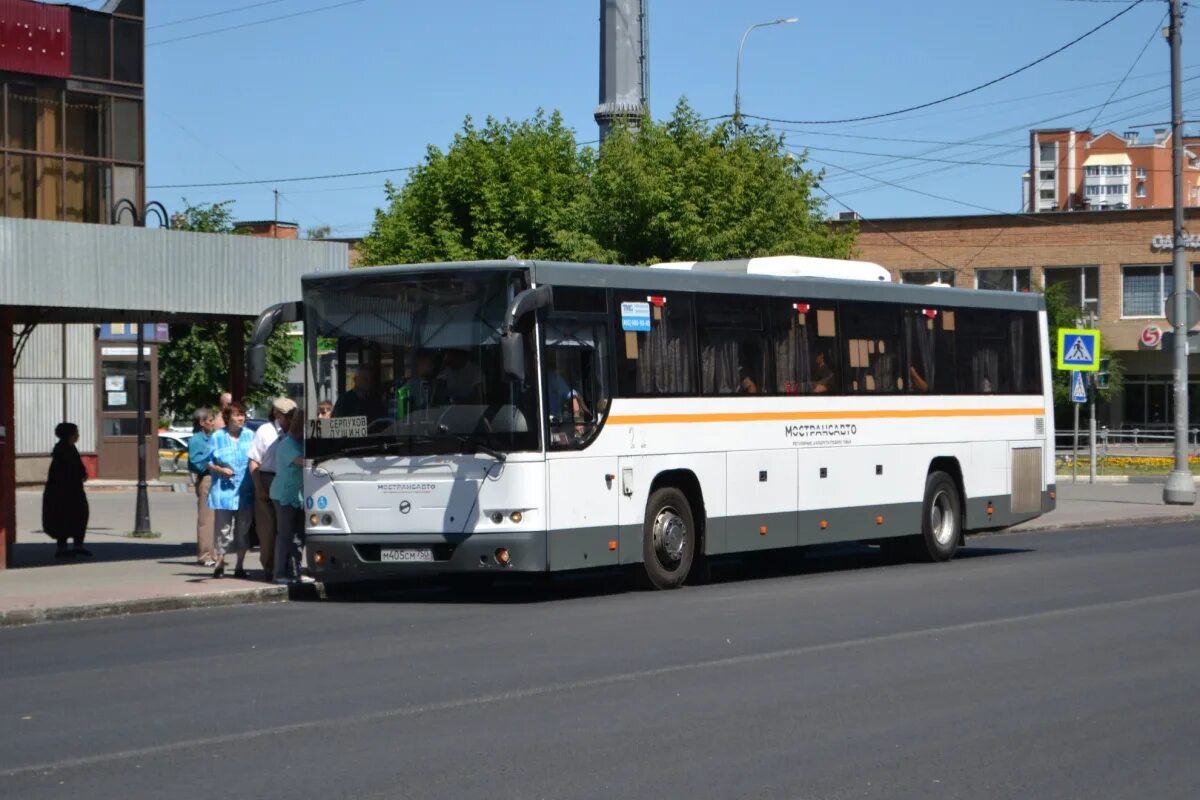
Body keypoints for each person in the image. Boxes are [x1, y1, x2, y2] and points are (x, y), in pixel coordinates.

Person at [248, 397, 296, 581]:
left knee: (288, 528)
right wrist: (259, 486)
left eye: (293, 415)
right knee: (268, 528)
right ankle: (270, 567)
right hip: (268, 478)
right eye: (287, 415)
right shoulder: (265, 431)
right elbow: (253, 460)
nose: (291, 419)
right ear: (276, 414)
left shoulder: (295, 431)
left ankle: (287, 567)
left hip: (290, 479)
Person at [206, 401, 255, 578]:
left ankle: (240, 566)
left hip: (245, 491)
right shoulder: (217, 436)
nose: (240, 418)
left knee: (243, 530)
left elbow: (257, 458)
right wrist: (220, 470)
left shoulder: (251, 435)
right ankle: (219, 564)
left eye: (242, 415)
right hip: (224, 492)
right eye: (236, 415)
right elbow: (207, 461)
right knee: (223, 530)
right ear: (228, 418)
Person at [42, 422, 90, 559]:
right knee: (65, 517)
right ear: (69, 435)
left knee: (78, 516)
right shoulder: (62, 450)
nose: (78, 436)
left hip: (72, 490)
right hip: (64, 492)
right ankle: (63, 548)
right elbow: (66, 471)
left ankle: (77, 546)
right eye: (76, 433)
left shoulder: (70, 447)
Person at [270, 409, 307, 585]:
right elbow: (303, 461)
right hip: (283, 496)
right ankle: (279, 574)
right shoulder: (287, 445)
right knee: (285, 536)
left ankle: (296, 572)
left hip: (297, 496)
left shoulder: (299, 442)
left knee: (298, 536)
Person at [187, 407, 219, 567]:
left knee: (215, 519)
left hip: (216, 478)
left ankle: (213, 554)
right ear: (202, 422)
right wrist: (211, 466)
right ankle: (205, 555)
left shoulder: (210, 437)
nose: (213, 423)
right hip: (207, 478)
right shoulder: (197, 440)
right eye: (211, 420)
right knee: (206, 518)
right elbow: (194, 462)